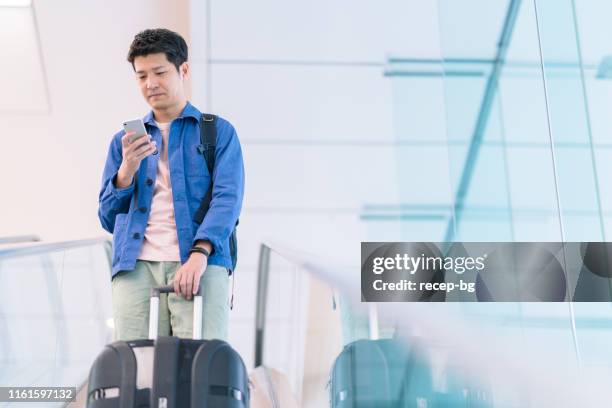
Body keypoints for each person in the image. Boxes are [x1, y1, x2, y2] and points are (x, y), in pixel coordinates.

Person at [98, 28, 244, 341]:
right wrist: (127, 170)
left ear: (184, 70)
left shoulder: (218, 132)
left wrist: (199, 254)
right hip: (134, 266)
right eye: (141, 76)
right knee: (136, 368)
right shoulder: (122, 143)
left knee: (199, 367)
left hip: (199, 262)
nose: (150, 84)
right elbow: (108, 218)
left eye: (160, 72)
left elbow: (227, 200)